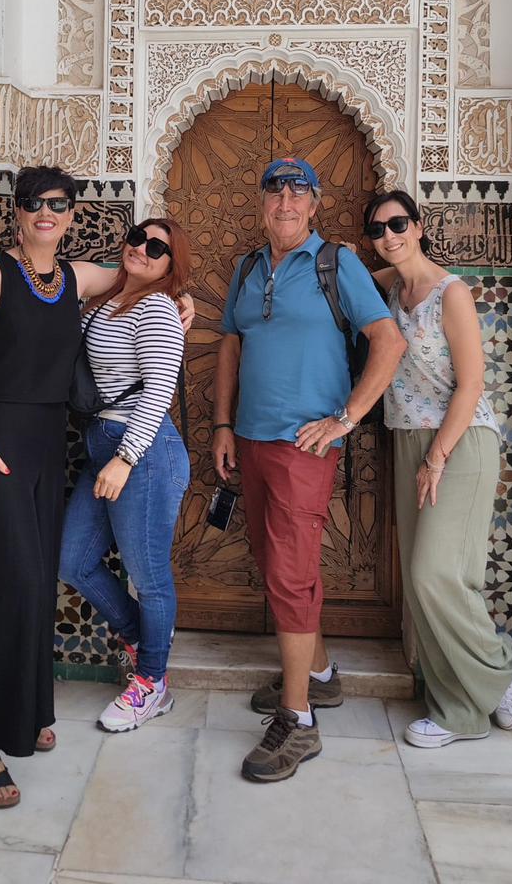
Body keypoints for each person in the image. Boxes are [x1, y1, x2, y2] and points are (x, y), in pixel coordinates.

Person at [0, 168, 192, 808]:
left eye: (59, 204)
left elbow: (138, 276)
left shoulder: (76, 278)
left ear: (72, 215)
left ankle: (24, 711)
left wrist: (179, 301)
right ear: (18, 212)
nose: (47, 212)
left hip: (47, 445)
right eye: (35, 203)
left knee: (38, 582)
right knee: (8, 584)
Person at [212, 157, 406, 782]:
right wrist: (222, 425)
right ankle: (318, 676)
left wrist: (346, 418)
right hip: (251, 439)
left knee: (291, 577)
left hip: (305, 446)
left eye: (299, 193)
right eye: (276, 192)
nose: (286, 203)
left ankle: (298, 721)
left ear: (315, 205)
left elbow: (389, 340)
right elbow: (231, 344)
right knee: (277, 568)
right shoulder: (247, 267)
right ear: (262, 203)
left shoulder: (336, 262)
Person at [364, 188, 512, 748]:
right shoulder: (392, 289)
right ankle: (457, 707)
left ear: (419, 224)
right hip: (407, 439)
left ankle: (496, 668)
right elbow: (341, 278)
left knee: (438, 574)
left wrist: (437, 457)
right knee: (419, 584)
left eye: (398, 224)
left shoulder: (450, 293)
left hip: (459, 442)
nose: (389, 236)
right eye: (377, 230)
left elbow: (472, 384)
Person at [59, 218, 192, 732]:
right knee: (73, 560)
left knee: (149, 576)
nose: (142, 249)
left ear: (170, 264)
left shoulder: (157, 307)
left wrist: (126, 458)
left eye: (157, 248)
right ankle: (142, 637)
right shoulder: (107, 297)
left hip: (143, 452)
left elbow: (159, 388)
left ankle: (151, 683)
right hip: (102, 442)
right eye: (138, 237)